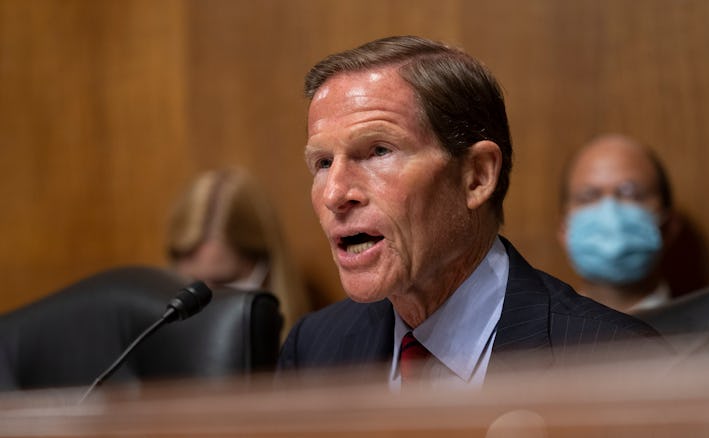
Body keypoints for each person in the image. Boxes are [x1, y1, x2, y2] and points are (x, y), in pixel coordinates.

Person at [278, 36, 664, 389]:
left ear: (477, 176)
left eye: (379, 151)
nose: (334, 194)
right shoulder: (313, 349)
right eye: (324, 162)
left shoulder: (617, 362)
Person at [166, 167, 310, 333]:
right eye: (191, 287)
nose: (203, 310)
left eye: (224, 286)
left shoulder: (311, 345)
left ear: (266, 268)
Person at [557, 134, 681, 313]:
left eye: (631, 194)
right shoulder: (534, 338)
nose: (610, 214)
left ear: (669, 227)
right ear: (563, 230)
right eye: (588, 197)